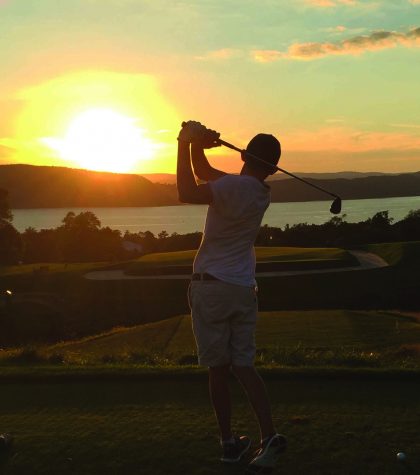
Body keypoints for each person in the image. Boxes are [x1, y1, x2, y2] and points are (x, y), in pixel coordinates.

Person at [177, 121, 287, 472]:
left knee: (217, 370)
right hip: (242, 289)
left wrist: (184, 142)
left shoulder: (234, 187)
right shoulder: (259, 192)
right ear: (271, 167)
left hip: (212, 287)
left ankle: (228, 443)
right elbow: (205, 172)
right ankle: (268, 436)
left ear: (244, 154)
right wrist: (199, 145)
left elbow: (186, 190)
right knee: (243, 365)